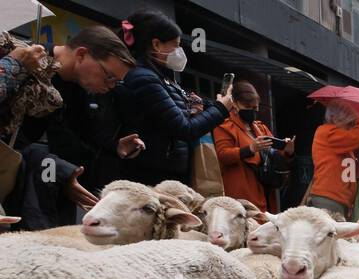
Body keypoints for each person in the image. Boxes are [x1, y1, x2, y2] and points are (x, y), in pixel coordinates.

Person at [8, 26, 137, 228]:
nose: (111, 85)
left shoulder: (78, 85)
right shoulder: (25, 61)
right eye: (109, 76)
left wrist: (115, 145)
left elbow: (79, 132)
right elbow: (17, 139)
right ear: (82, 54)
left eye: (116, 82)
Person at [114, 10, 233, 187]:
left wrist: (207, 105)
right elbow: (185, 129)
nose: (179, 52)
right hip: (154, 176)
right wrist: (221, 109)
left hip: (168, 171)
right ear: (156, 45)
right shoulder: (144, 78)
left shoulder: (163, 77)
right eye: (176, 45)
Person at [212, 80, 293, 213]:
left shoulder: (260, 127)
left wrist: (287, 152)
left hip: (265, 190)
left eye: (255, 108)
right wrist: (250, 149)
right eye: (249, 107)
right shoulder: (225, 126)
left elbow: (273, 156)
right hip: (241, 192)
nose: (254, 111)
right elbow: (223, 155)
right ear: (235, 103)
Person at [301, 99, 359, 221]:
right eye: (349, 123)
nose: (351, 128)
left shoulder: (338, 139)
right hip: (329, 198)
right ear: (334, 119)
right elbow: (357, 137)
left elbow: (347, 170)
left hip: (338, 199)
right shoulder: (327, 132)